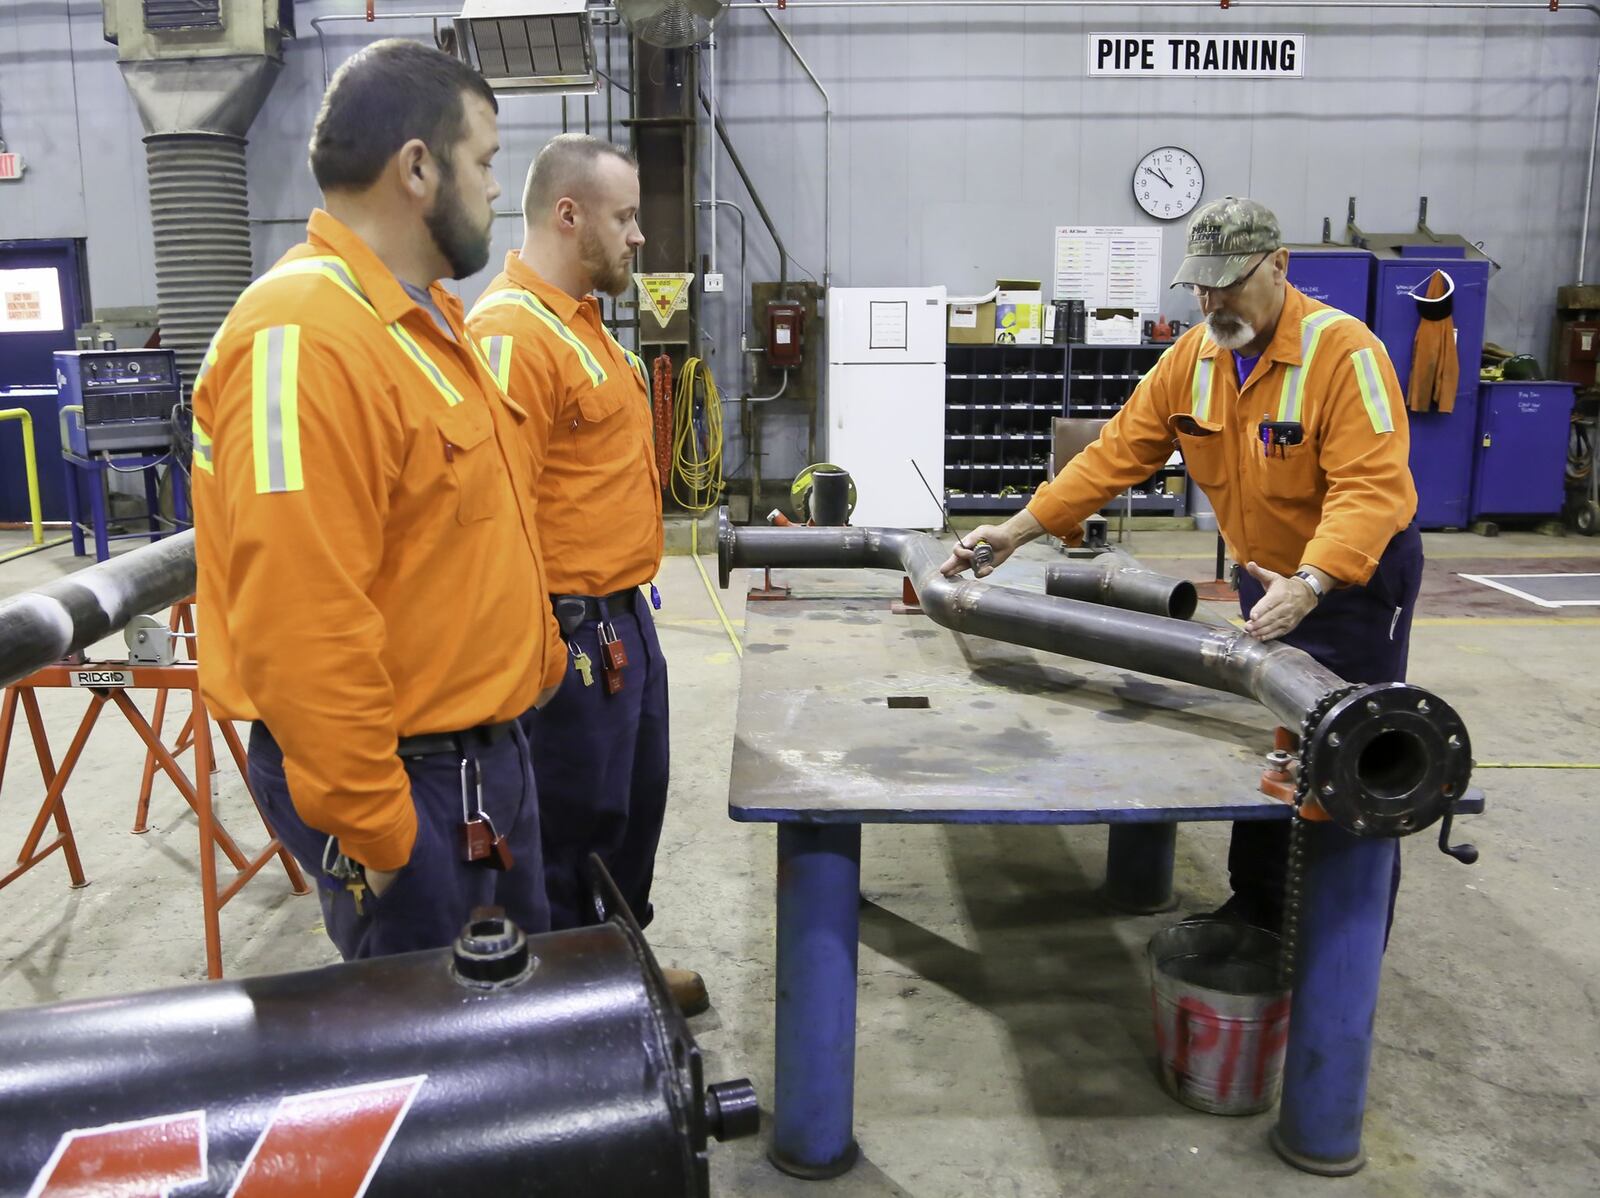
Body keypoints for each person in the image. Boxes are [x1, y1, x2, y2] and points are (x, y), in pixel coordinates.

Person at [941, 197, 1422, 932]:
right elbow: (1111, 457)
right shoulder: (1192, 360)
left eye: (1229, 284)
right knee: (1270, 733)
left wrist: (1313, 581)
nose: (1212, 302)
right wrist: (1014, 532)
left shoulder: (1345, 354)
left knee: (1346, 748)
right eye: (1201, 286)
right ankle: (1259, 908)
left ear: (1280, 267)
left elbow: (1371, 488)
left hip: (1351, 581)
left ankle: (1345, 937)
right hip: (1269, 581)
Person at [192, 39, 566, 959]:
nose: (491, 189)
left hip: (478, 760)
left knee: (510, 1042)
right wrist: (382, 839)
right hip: (408, 784)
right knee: (438, 1066)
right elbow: (299, 618)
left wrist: (538, 667)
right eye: (483, 163)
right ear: (416, 167)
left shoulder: (419, 319)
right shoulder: (302, 338)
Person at [464, 134, 707, 1012]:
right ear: (568, 215)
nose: (640, 237)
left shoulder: (585, 327)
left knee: (630, 813)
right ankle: (573, 1008)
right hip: (567, 636)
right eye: (626, 216)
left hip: (622, 618)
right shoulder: (509, 334)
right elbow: (494, 517)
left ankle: (620, 970)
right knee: (570, 830)